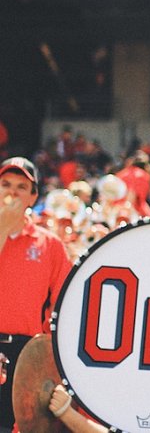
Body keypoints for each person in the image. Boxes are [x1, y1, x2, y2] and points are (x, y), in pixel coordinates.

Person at [0, 157, 71, 429]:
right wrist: (3, 229)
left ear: (33, 197)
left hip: (25, 352)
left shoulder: (49, 245)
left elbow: (61, 305)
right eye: (5, 184)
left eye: (21, 187)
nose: (12, 193)